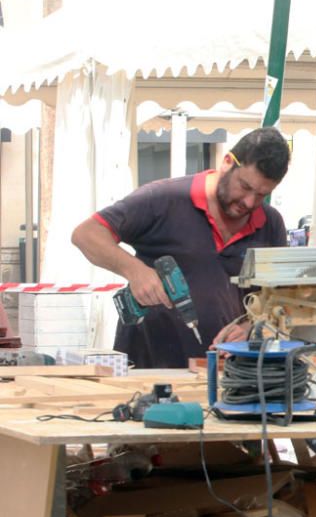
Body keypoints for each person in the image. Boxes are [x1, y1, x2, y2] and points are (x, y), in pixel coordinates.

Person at [71, 127, 291, 368]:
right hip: (148, 367)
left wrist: (250, 327)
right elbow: (86, 234)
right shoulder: (162, 199)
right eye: (245, 187)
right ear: (227, 162)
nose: (249, 202)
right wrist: (135, 271)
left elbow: (278, 299)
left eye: (262, 194)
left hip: (227, 373)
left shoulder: (270, 223)